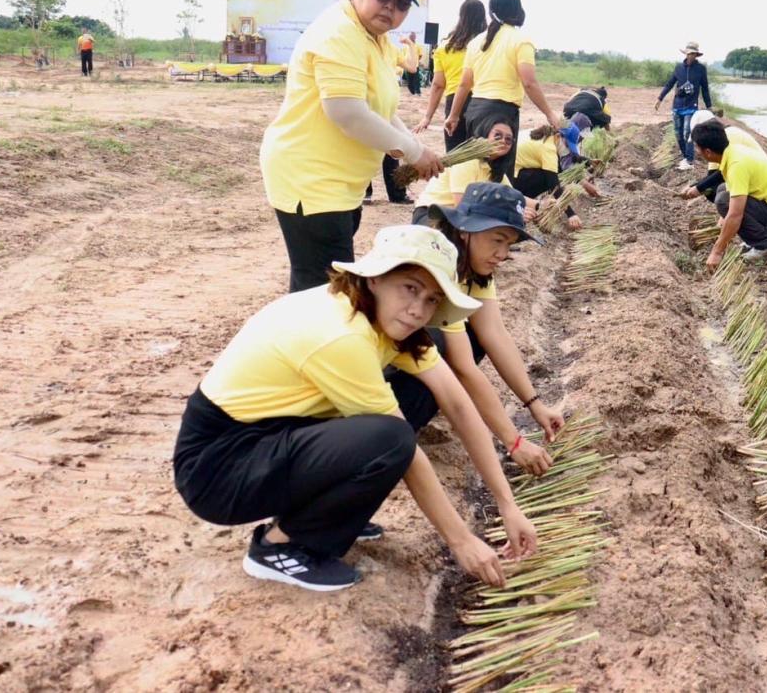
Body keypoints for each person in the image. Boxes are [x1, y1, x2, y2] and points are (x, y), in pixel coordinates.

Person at [173, 224, 537, 592]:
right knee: (390, 438)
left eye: (431, 300)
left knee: (413, 399)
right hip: (218, 469)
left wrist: (508, 505)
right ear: (376, 279)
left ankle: (326, 514)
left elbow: (456, 402)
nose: (417, 310)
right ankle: (277, 549)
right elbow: (404, 450)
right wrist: (461, 541)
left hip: (268, 437)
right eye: (410, 288)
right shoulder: (341, 334)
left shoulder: (379, 316)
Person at [260, 0, 442, 293]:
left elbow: (382, 111)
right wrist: (413, 152)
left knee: (316, 284)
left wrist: (415, 150)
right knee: (326, 292)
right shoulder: (339, 33)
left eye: (401, 4)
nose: (390, 7)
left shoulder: (378, 40)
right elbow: (347, 113)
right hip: (311, 180)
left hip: (340, 184)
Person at [425, 183, 566, 459]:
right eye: (497, 240)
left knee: (476, 337)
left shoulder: (474, 269)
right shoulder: (440, 266)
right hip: (370, 371)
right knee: (443, 344)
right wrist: (513, 442)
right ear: (466, 230)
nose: (503, 254)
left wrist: (535, 404)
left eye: (509, 244)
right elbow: (463, 367)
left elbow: (495, 335)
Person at [445, 0, 564, 174]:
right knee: (499, 173)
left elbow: (464, 84)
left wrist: (453, 116)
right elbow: (529, 82)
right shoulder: (521, 40)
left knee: (477, 170)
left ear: (491, 11)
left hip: (475, 112)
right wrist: (550, 114)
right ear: (518, 9)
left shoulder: (476, 42)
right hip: (501, 113)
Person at [688, 120, 767, 267]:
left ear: (708, 152)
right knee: (723, 189)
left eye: (697, 148)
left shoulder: (737, 165)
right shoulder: (733, 151)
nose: (696, 151)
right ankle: (762, 239)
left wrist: (717, 251)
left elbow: (736, 214)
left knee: (724, 200)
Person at [411, 121, 539, 226]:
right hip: (433, 216)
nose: (503, 141)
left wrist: (541, 206)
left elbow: (513, 196)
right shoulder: (468, 161)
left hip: (457, 218)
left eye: (508, 139)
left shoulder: (494, 169)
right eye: (497, 135)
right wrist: (512, 214)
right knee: (502, 220)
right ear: (484, 136)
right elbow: (462, 207)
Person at [415, 0, 487, 150]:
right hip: (485, 102)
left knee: (456, 157)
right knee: (483, 158)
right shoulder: (487, 45)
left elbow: (438, 85)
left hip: (455, 103)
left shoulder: (444, 47)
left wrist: (428, 116)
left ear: (461, 17)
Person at [512, 123, 601, 231]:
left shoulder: (546, 135)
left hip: (509, 174)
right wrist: (571, 214)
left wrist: (588, 161)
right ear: (559, 136)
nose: (567, 150)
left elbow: (564, 163)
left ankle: (528, 203)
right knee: (547, 179)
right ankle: (522, 205)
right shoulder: (548, 148)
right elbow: (553, 184)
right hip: (511, 181)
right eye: (567, 145)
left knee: (552, 172)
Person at [369, 31, 423, 206]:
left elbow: (413, 67)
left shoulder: (390, 49)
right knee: (365, 149)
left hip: (386, 109)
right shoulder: (361, 46)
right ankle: (366, 192)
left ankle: (396, 193)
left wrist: (410, 45)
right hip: (367, 105)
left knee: (392, 150)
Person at [679, 109, 765, 203]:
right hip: (748, 180)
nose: (698, 151)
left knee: (720, 194)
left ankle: (737, 213)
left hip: (759, 186)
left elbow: (723, 173)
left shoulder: (730, 136)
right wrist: (693, 187)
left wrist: (699, 188)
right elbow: (712, 176)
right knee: (713, 191)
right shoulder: (715, 145)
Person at [654, 42, 711, 171]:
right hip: (677, 105)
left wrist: (709, 106)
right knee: (678, 133)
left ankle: (690, 161)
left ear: (696, 55)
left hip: (692, 106)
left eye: (693, 54)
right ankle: (685, 157)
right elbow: (669, 84)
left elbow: (705, 89)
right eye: (689, 53)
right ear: (686, 54)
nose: (691, 56)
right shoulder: (678, 67)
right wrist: (659, 99)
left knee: (687, 132)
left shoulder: (701, 69)